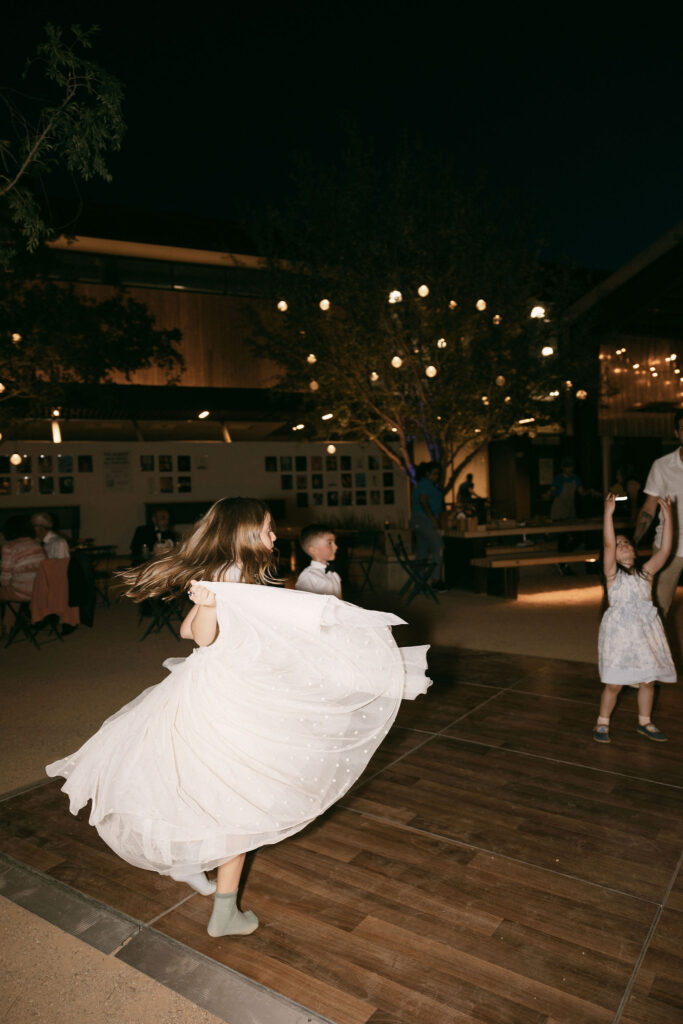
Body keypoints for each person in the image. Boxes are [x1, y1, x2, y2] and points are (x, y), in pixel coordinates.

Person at [46, 497, 431, 938]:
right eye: (267, 530)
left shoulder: (231, 574)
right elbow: (202, 635)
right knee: (241, 803)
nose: (273, 537)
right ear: (244, 534)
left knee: (209, 788)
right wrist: (211, 605)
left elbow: (186, 630)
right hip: (226, 696)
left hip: (211, 688)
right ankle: (224, 912)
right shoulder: (231, 577)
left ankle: (190, 864)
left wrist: (213, 604)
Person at [593, 493, 676, 744]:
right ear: (613, 556)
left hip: (644, 633)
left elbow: (665, 550)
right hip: (619, 635)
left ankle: (644, 721)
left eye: (627, 542)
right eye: (619, 544)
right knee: (615, 683)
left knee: (648, 680)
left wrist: (669, 517)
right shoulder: (611, 576)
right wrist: (608, 515)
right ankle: (602, 722)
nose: (624, 545)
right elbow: (608, 545)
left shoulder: (646, 573)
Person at [634, 410, 683, 616]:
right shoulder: (662, 466)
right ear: (676, 433)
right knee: (656, 607)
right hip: (668, 546)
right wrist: (633, 543)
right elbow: (648, 508)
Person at [543, 456, 599, 574]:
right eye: (567, 467)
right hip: (559, 511)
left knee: (577, 537)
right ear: (563, 468)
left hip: (570, 511)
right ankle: (563, 564)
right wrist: (547, 495)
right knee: (562, 539)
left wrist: (591, 491)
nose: (569, 469)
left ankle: (561, 560)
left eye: (571, 467)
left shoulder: (575, 478)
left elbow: (582, 492)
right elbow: (552, 490)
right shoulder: (558, 479)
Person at [0, 516, 46, 632]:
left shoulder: (9, 548)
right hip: (41, 591)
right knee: (13, 592)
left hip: (23, 592)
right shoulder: (37, 544)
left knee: (8, 590)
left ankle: (4, 628)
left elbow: (5, 579)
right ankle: (8, 626)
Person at [410, 461, 447, 591]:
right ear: (427, 473)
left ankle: (419, 581)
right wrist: (433, 518)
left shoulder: (425, 485)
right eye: (435, 474)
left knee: (423, 551)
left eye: (438, 474)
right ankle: (436, 580)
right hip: (423, 520)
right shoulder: (425, 484)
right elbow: (423, 500)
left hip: (418, 521)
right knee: (439, 546)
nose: (437, 476)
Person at [295, 523, 341, 598]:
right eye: (329, 543)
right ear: (313, 550)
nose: (336, 547)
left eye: (334, 542)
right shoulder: (308, 577)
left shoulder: (334, 575)